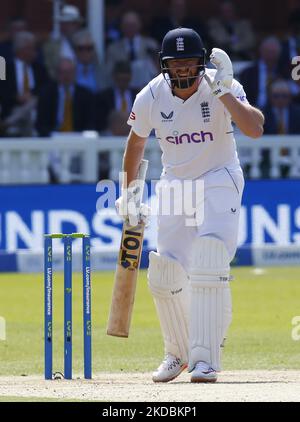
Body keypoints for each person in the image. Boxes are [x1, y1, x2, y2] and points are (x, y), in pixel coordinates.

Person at [115, 28, 264, 383]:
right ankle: (178, 353)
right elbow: (135, 144)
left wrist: (223, 91)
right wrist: (131, 190)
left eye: (188, 64)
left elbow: (255, 128)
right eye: (175, 64)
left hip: (219, 176)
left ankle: (205, 359)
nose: (182, 71)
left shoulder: (220, 83)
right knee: (165, 272)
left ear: (200, 64)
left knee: (210, 259)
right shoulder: (150, 94)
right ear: (165, 66)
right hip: (175, 181)